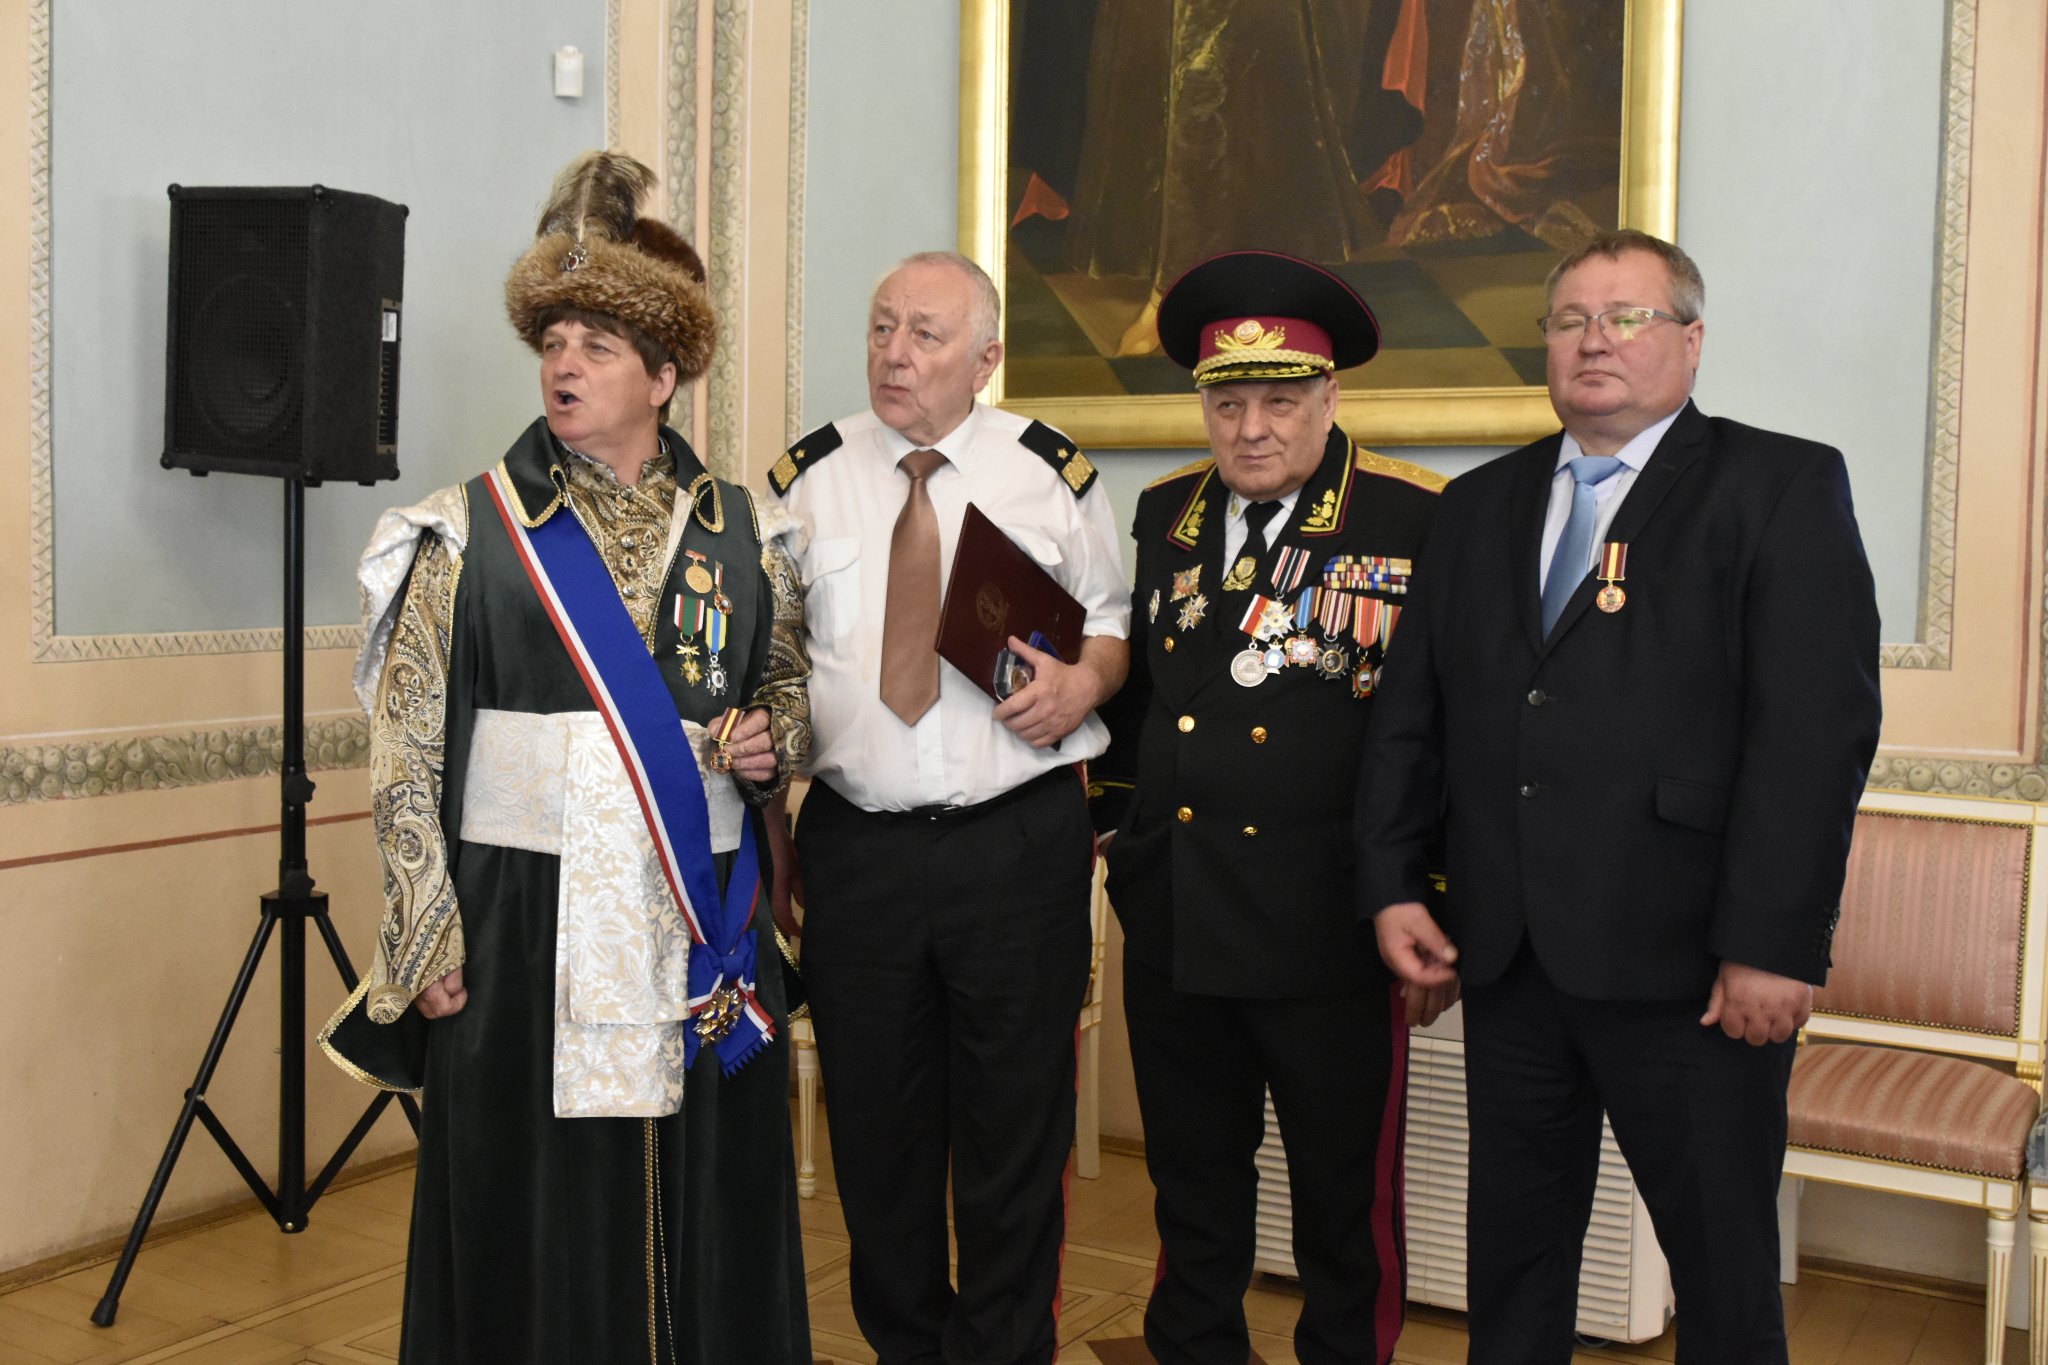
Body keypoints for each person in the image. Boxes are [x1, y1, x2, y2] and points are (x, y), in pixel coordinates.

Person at [319, 151, 812, 1363]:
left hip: (700, 922)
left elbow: (788, 701)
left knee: (704, 1203)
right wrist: (425, 929)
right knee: (529, 1211)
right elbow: (405, 746)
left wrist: (768, 744)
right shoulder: (462, 531)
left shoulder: (749, 532)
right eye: (554, 341)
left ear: (665, 374)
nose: (564, 364)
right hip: (517, 923)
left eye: (597, 343)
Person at [1358, 229, 1882, 1364]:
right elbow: (1412, 719)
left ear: (1690, 342)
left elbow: (1813, 736)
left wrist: (1773, 944)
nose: (1594, 340)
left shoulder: (1778, 485)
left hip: (1691, 967)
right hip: (1507, 959)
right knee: (1513, 1266)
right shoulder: (1475, 505)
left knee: (1721, 1272)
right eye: (1569, 321)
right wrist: (1396, 886)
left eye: (1627, 316)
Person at [767, 250, 1130, 1365]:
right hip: (857, 851)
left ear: (985, 358)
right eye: (882, 327)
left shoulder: (1049, 473)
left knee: (1013, 1133)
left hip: (1013, 843)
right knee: (878, 1137)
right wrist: (773, 836)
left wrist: (1084, 682)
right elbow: (766, 666)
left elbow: (1110, 625)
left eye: (925, 334)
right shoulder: (805, 480)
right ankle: (907, 1348)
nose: (894, 353)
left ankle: (1006, 1349)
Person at [1088, 250, 1445, 1365]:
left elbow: (1445, 733)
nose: (1250, 430)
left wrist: (1431, 897)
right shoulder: (1164, 514)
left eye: (1279, 402)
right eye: (1227, 402)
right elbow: (1138, 701)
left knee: (1343, 1202)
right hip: (1180, 917)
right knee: (1192, 1184)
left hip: (1329, 924)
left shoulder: (1409, 517)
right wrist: (1119, 836)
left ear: (1328, 397)